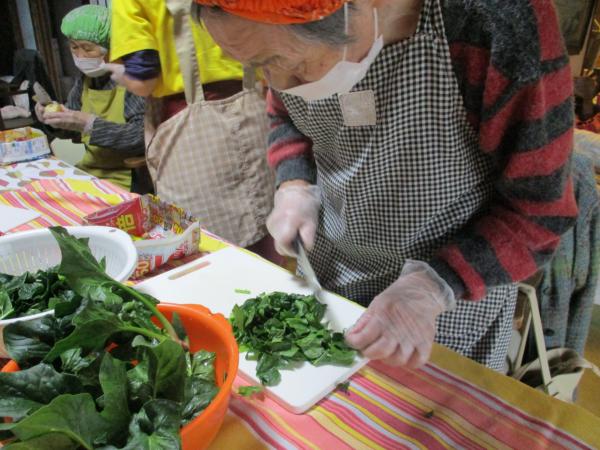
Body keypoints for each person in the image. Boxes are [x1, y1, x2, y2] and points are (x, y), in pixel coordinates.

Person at [193, 0, 578, 371]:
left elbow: (538, 214)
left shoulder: (497, 22)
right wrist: (293, 182)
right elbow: (285, 111)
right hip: (332, 281)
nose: (276, 83)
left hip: (445, 310)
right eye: (258, 66)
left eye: (285, 64)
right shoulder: (289, 45)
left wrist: (432, 287)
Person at [105, 0, 281, 264]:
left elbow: (143, 79)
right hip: (255, 108)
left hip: (190, 130)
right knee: (267, 237)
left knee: (209, 249)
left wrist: (119, 74)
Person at [35, 5, 145, 192]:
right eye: (74, 47)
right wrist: (55, 120)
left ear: (112, 47)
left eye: (87, 48)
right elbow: (72, 130)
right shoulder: (85, 80)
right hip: (90, 171)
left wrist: (90, 124)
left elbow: (141, 137)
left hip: (126, 176)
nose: (80, 56)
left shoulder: (132, 79)